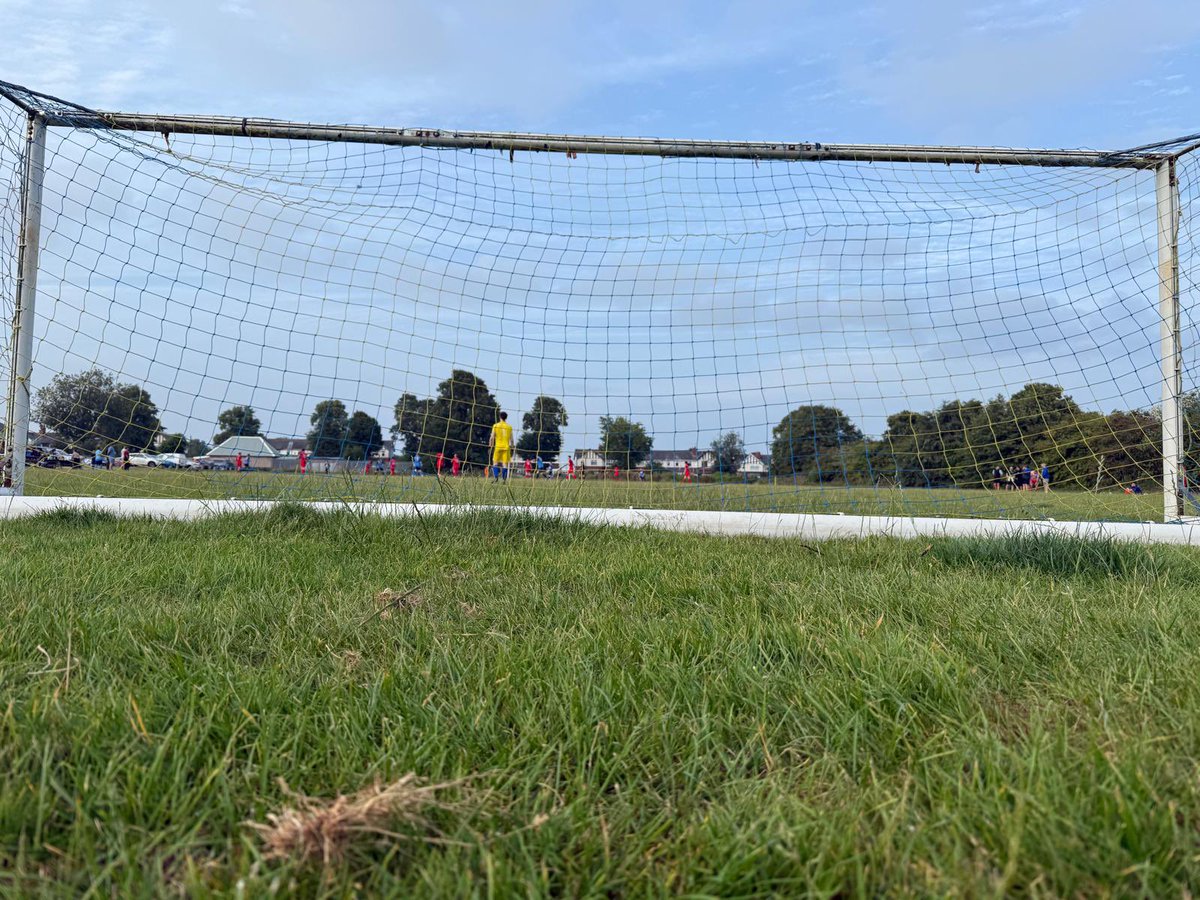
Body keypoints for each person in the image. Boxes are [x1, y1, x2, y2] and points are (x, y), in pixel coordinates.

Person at [489, 411, 514, 481]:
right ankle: (504, 479)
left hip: (498, 447)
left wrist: (491, 444)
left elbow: (492, 437)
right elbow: (511, 439)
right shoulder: (509, 427)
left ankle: (496, 477)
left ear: (500, 417)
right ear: (506, 418)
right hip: (506, 447)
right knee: (504, 464)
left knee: (495, 462)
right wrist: (512, 447)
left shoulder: (496, 425)